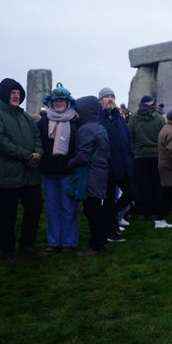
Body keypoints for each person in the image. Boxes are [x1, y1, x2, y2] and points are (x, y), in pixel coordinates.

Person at [0, 78, 44, 262]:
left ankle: (27, 245)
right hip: (7, 173)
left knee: (34, 209)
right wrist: (27, 156)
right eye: (12, 93)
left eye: (18, 93)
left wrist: (38, 153)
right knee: (7, 214)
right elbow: (0, 143)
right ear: (4, 94)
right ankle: (8, 249)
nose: (16, 95)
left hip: (30, 174)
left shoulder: (25, 116)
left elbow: (37, 136)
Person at [36, 83, 79, 254]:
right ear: (51, 103)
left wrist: (73, 163)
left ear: (68, 102)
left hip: (69, 171)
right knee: (53, 208)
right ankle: (54, 242)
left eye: (62, 100)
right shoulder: (42, 123)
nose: (59, 103)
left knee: (69, 208)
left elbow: (79, 145)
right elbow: (38, 145)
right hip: (49, 172)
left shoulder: (75, 122)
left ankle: (69, 242)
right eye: (56, 100)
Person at [69, 96, 111, 256]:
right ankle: (103, 240)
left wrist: (68, 164)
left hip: (91, 174)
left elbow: (83, 156)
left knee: (91, 210)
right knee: (98, 209)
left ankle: (95, 245)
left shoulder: (85, 129)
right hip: (101, 172)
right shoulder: (99, 127)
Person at [97, 87, 136, 242]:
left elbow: (127, 137)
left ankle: (111, 217)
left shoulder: (118, 117)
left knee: (131, 193)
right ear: (100, 100)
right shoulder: (98, 118)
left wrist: (130, 153)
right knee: (108, 199)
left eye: (112, 96)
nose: (110, 99)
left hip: (123, 163)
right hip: (108, 165)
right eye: (106, 96)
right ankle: (110, 231)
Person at [129, 95, 164, 221]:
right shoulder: (159, 118)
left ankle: (144, 212)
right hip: (156, 156)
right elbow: (163, 139)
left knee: (143, 186)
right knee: (156, 184)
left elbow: (130, 137)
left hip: (140, 157)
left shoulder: (133, 118)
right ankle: (155, 211)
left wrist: (134, 152)